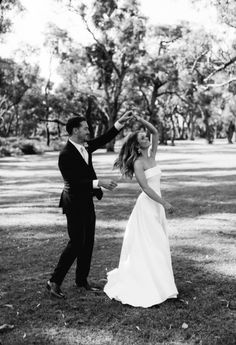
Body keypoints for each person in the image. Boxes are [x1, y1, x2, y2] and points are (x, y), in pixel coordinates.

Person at [47, 112, 132, 298]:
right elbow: (73, 182)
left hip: (86, 201)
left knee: (88, 242)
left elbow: (104, 138)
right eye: (85, 128)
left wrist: (119, 123)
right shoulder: (65, 154)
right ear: (75, 130)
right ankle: (54, 281)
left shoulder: (85, 146)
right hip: (73, 202)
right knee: (76, 242)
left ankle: (81, 280)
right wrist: (98, 182)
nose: (88, 130)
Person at [104, 113, 178, 308]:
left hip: (156, 207)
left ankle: (162, 285)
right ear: (137, 145)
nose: (147, 138)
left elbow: (155, 131)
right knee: (151, 245)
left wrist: (140, 120)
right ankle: (148, 284)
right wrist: (164, 203)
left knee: (159, 244)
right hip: (147, 207)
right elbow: (145, 188)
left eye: (146, 137)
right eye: (142, 138)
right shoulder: (138, 163)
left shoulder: (152, 155)